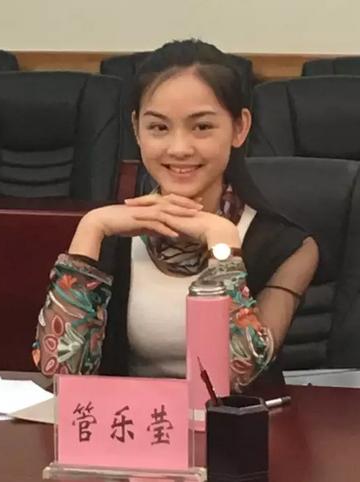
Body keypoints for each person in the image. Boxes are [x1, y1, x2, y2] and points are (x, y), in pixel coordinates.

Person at [32, 39, 318, 392]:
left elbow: (236, 376)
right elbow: (60, 376)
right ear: (136, 129)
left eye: (202, 127)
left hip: (230, 427)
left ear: (239, 128)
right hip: (129, 422)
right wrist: (90, 228)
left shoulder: (289, 247)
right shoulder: (112, 234)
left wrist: (223, 246)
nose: (179, 148)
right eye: (159, 128)